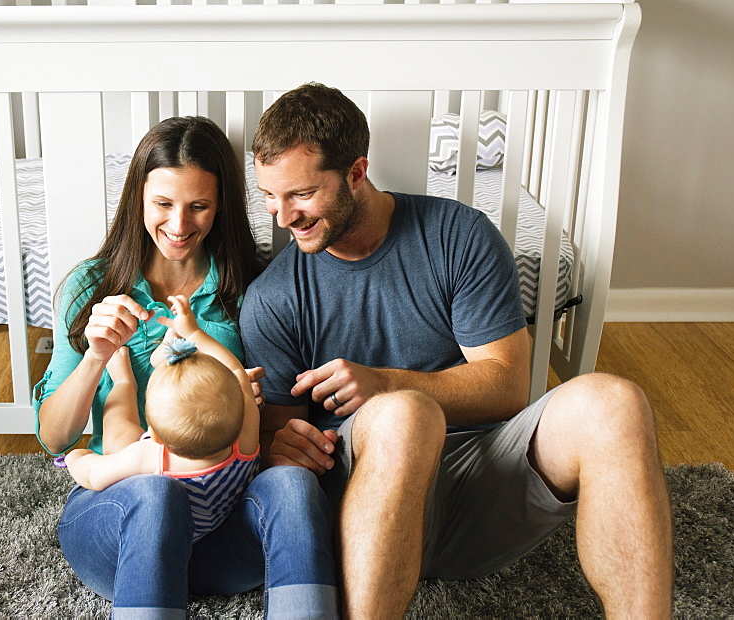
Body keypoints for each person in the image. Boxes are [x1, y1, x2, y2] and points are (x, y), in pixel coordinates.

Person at [240, 83, 673, 618]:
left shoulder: (457, 236)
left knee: (614, 402)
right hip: (361, 504)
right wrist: (282, 447)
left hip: (477, 485)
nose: (282, 217)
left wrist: (387, 382)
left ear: (356, 172)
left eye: (301, 194)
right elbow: (280, 442)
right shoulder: (273, 298)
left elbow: (510, 386)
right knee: (404, 417)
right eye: (268, 196)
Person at [33, 115, 337, 616]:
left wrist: (256, 406)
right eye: (163, 204)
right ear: (139, 200)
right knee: (157, 496)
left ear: (220, 207)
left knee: (293, 485)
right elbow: (54, 440)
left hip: (224, 528)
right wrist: (97, 357)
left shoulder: (252, 289)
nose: (178, 226)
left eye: (198, 206)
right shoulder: (90, 287)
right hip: (124, 527)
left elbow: (270, 414)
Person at [63, 295, 261, 544]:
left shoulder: (150, 455)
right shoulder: (245, 440)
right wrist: (193, 331)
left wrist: (76, 457)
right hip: (212, 526)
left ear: (153, 436)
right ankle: (168, 350)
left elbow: (93, 475)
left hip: (161, 532)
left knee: (118, 437)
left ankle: (124, 380)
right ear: (242, 409)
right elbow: (235, 372)